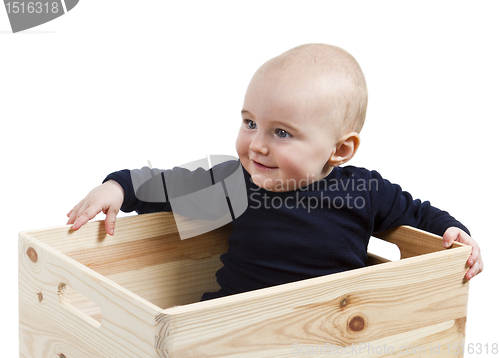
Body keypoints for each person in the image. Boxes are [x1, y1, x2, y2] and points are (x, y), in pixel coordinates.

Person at [66, 44, 483, 301]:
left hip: (331, 326)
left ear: (340, 149)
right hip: (232, 323)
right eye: (250, 123)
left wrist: (455, 233)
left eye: (281, 132)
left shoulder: (365, 191)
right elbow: (168, 187)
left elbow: (420, 216)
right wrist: (118, 186)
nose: (257, 144)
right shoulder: (237, 183)